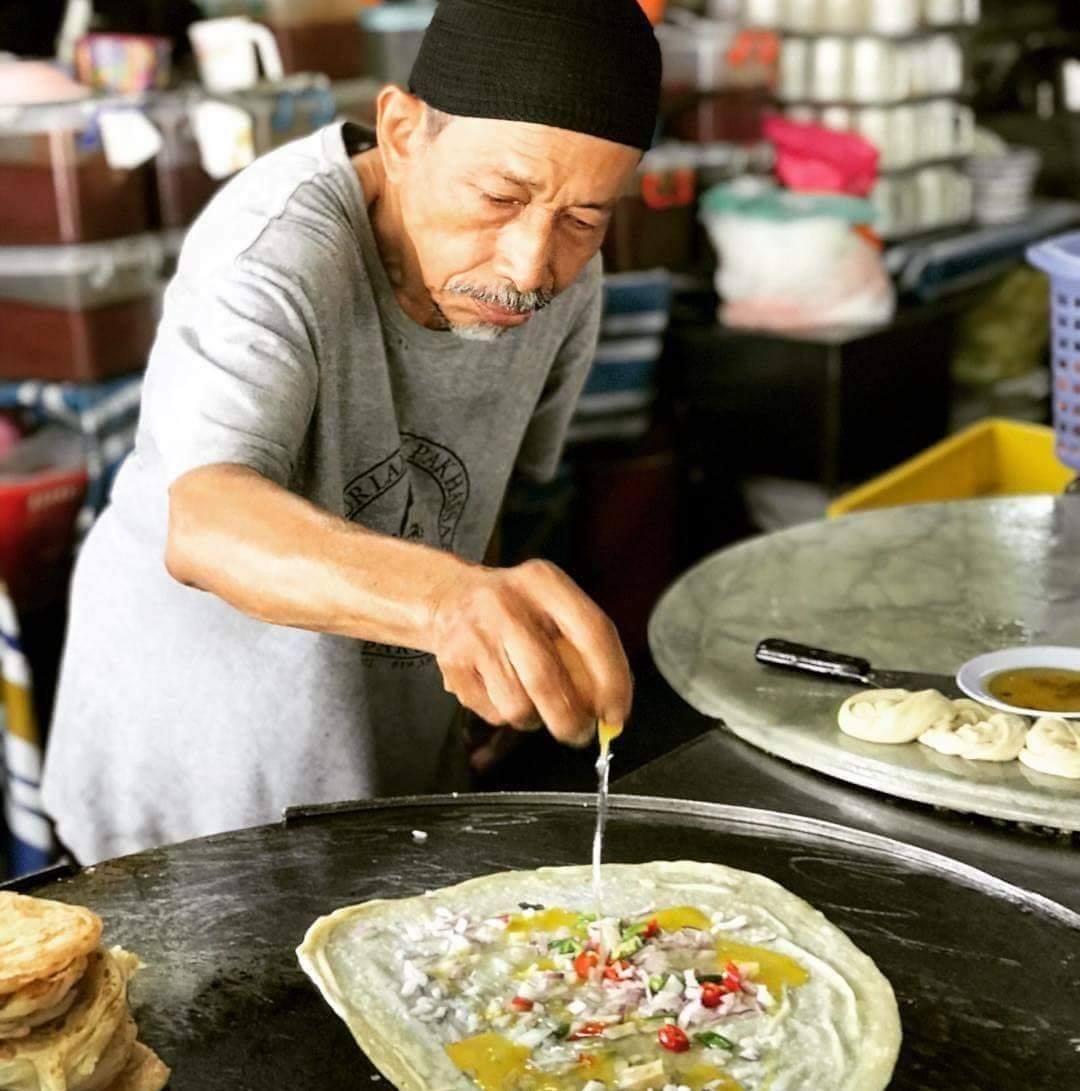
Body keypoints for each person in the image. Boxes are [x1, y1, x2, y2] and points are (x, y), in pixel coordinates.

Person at [42, 0, 663, 863]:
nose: (530, 266)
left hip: (390, 779)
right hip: (193, 795)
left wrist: (486, 663)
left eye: (583, 218)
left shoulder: (566, 280)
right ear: (403, 132)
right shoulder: (275, 254)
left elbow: (474, 493)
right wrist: (451, 602)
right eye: (498, 196)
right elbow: (209, 521)